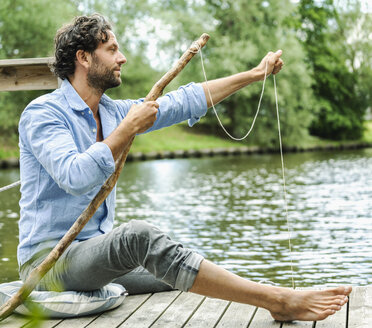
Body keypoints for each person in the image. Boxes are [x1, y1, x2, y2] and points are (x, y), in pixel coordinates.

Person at [17, 13, 351, 322]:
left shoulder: (113, 112)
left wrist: (254, 74)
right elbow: (75, 177)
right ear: (84, 57)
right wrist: (127, 130)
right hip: (48, 266)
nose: (122, 57)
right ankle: (279, 300)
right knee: (138, 237)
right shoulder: (44, 114)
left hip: (93, 258)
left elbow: (184, 100)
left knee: (182, 264)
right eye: (111, 49)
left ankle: (277, 294)